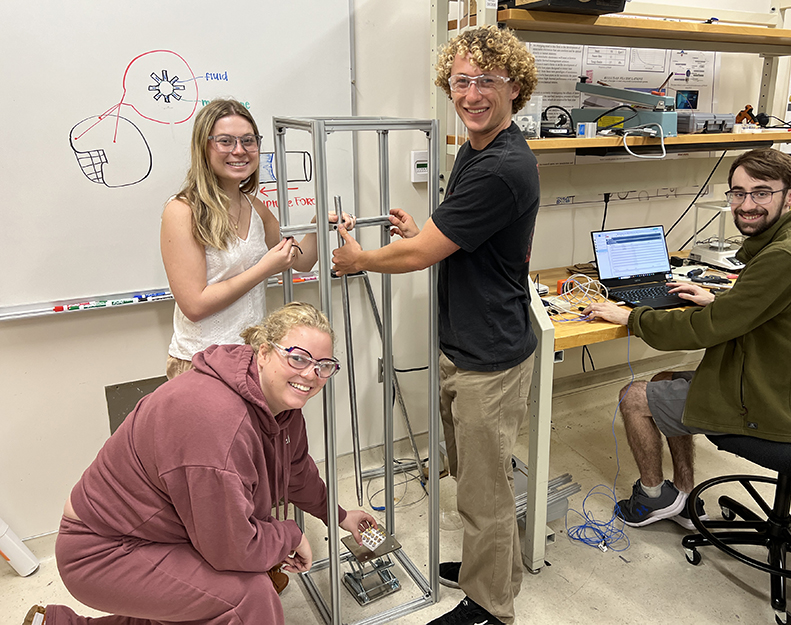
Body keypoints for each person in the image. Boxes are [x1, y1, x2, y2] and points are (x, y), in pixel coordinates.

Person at [332, 24, 538, 625]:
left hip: (490, 357)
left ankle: (491, 605)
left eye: (486, 82)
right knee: (475, 476)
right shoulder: (475, 154)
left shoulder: (501, 166)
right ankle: (487, 571)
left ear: (515, 88)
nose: (471, 94)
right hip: (466, 343)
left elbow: (424, 256)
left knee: (485, 491)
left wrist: (360, 259)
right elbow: (452, 240)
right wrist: (421, 230)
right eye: (461, 81)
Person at [24, 302, 376, 625]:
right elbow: (232, 548)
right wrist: (289, 535)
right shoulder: (219, 419)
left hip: (160, 533)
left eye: (323, 366)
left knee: (204, 598)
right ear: (264, 352)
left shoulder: (280, 408)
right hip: (103, 551)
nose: (311, 374)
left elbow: (297, 472)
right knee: (246, 598)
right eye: (298, 358)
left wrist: (341, 516)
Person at [583, 148, 791, 530]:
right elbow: (760, 308)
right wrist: (718, 299)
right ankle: (684, 498)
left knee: (632, 397)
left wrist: (632, 317)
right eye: (738, 193)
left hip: (777, 406)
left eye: (761, 192)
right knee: (663, 380)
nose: (746, 204)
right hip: (781, 384)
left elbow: (701, 330)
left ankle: (652, 498)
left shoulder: (784, 257)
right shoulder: (783, 246)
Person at [160, 98, 355, 380]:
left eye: (248, 141)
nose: (239, 151)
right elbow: (194, 306)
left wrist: (316, 224)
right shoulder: (182, 211)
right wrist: (263, 269)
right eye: (225, 141)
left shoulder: (255, 207)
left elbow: (299, 261)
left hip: (250, 358)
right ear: (204, 147)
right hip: (201, 363)